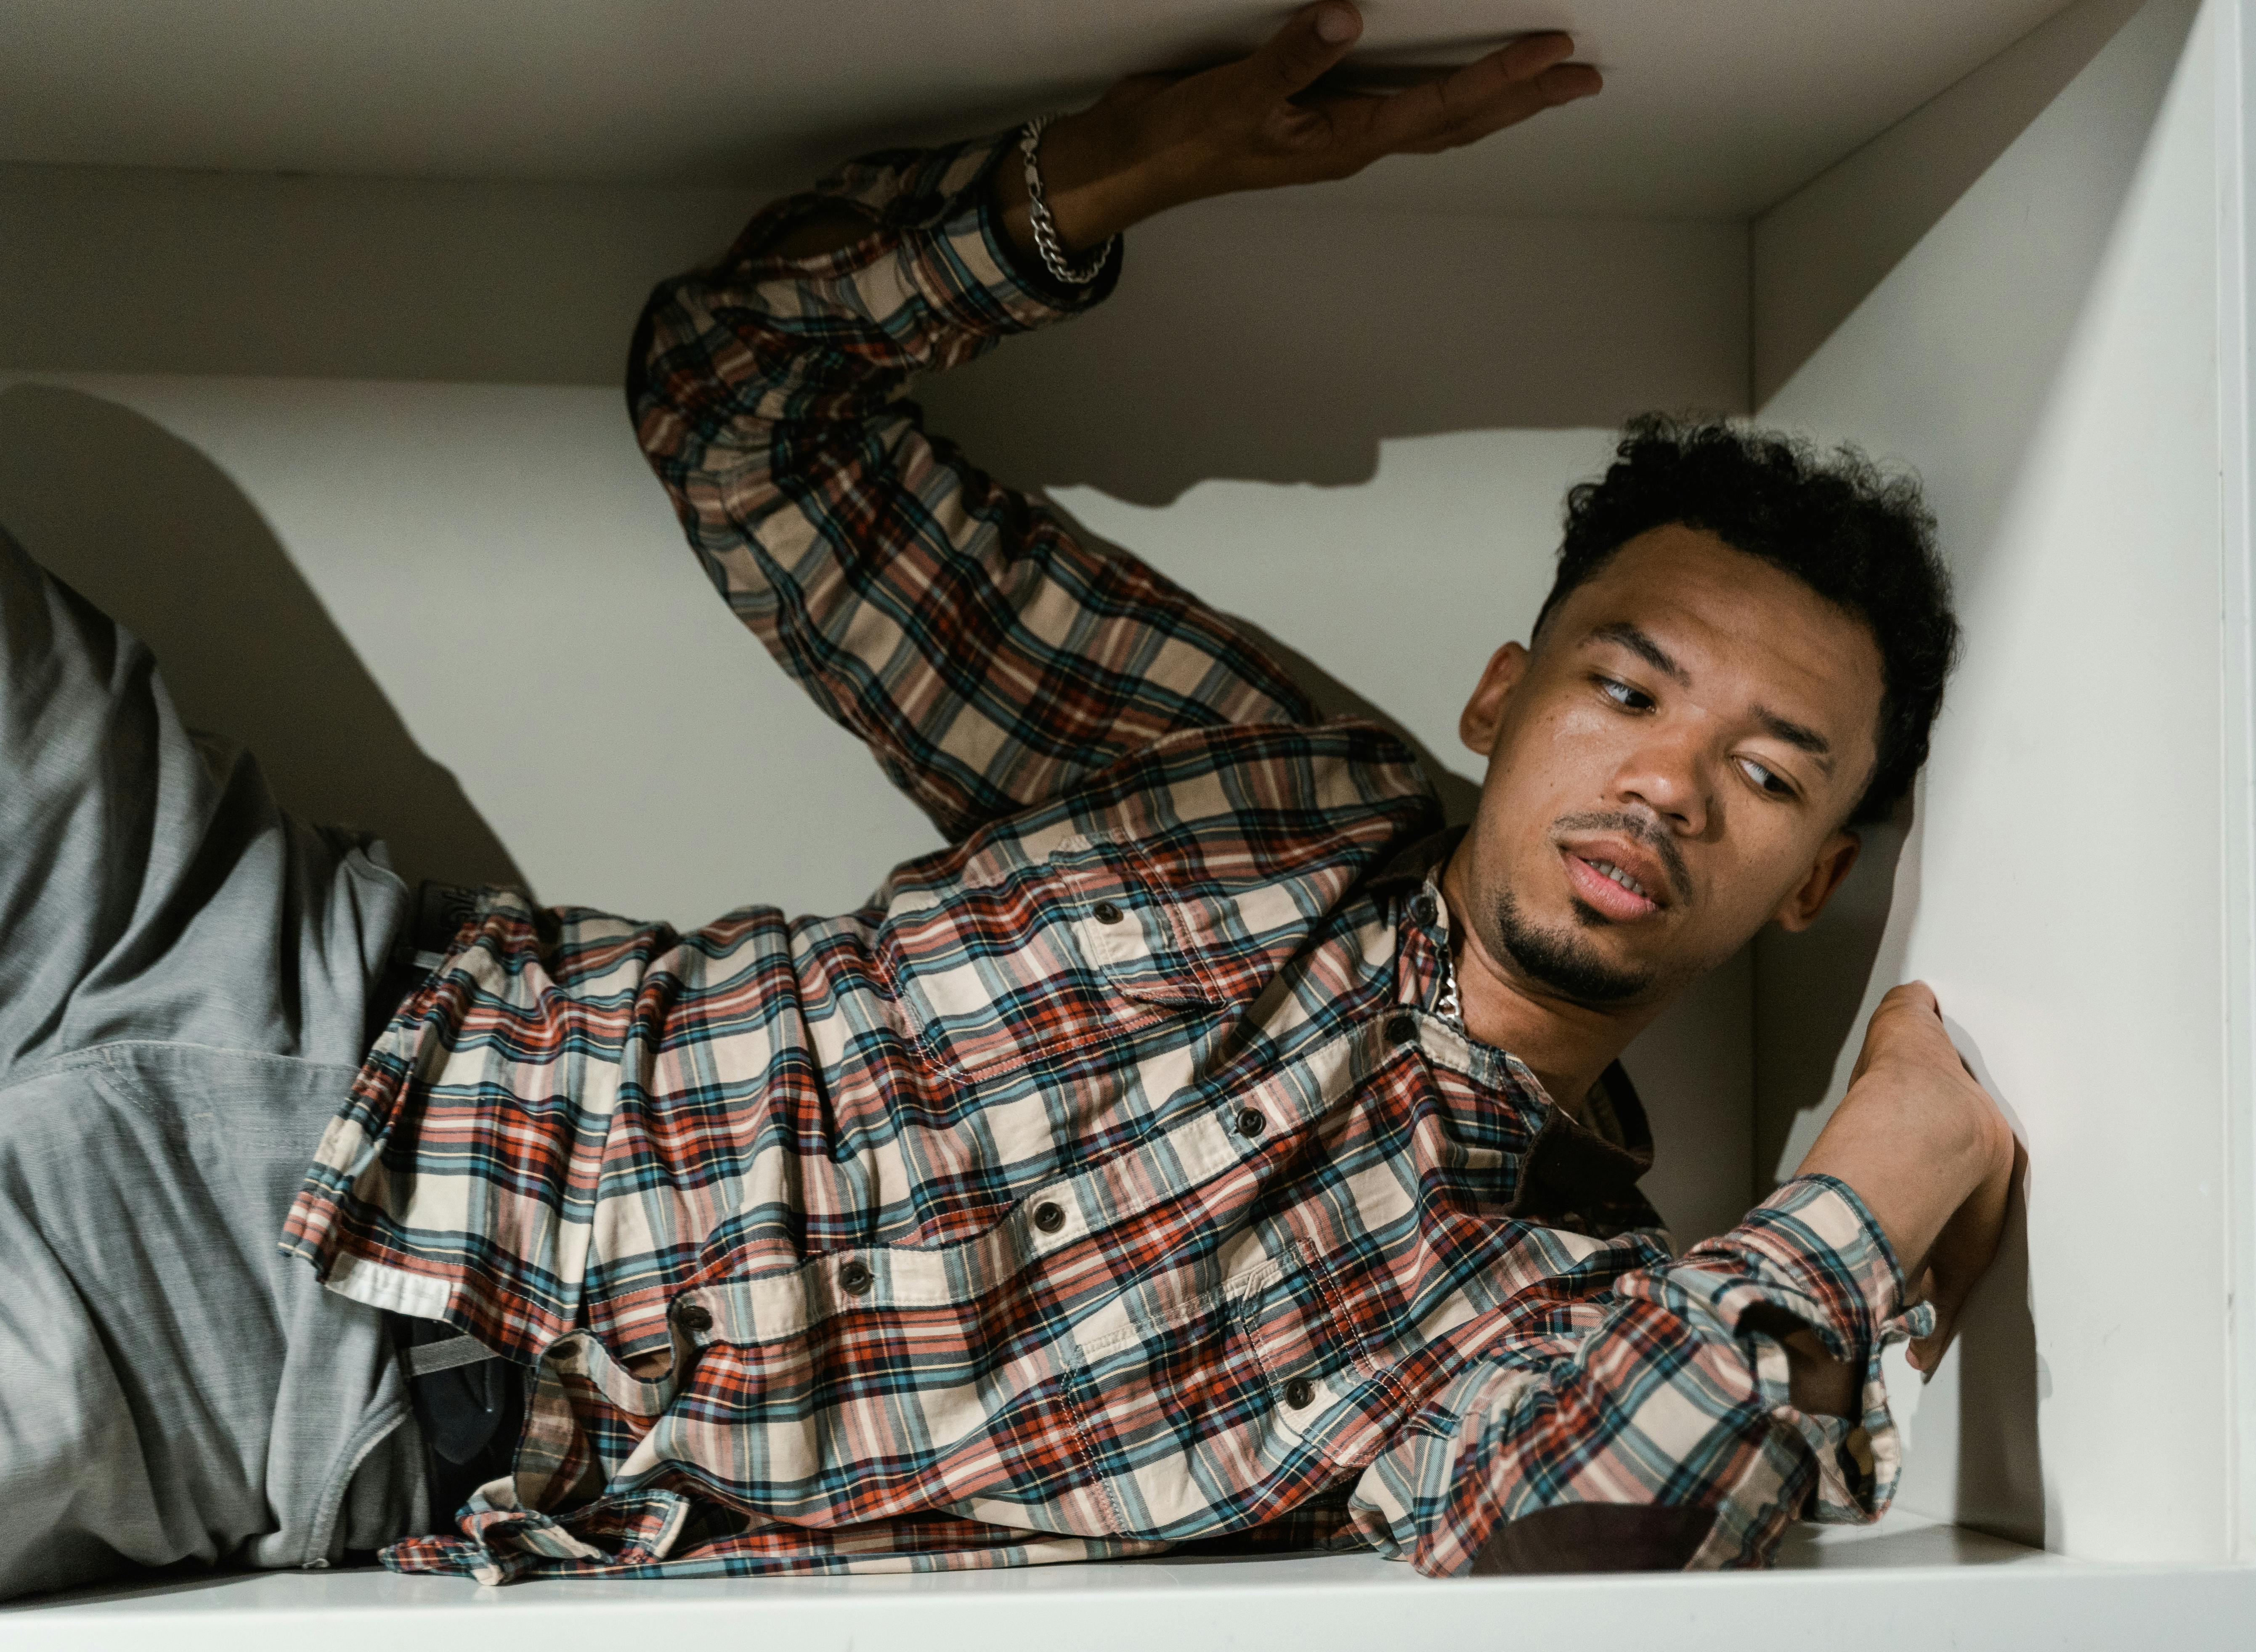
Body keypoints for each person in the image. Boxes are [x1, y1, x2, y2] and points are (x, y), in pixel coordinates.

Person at [0, 1, 2017, 1598]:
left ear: (1812, 877)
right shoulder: (1265, 784)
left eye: (1765, 773)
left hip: (280, 1371)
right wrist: (1119, 173)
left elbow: (1584, 1542)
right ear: (1507, 694)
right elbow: (738, 413)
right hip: (273, 941)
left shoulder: (1522, 1316)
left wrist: (1860, 1208)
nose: (1665, 782)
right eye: (1626, 685)